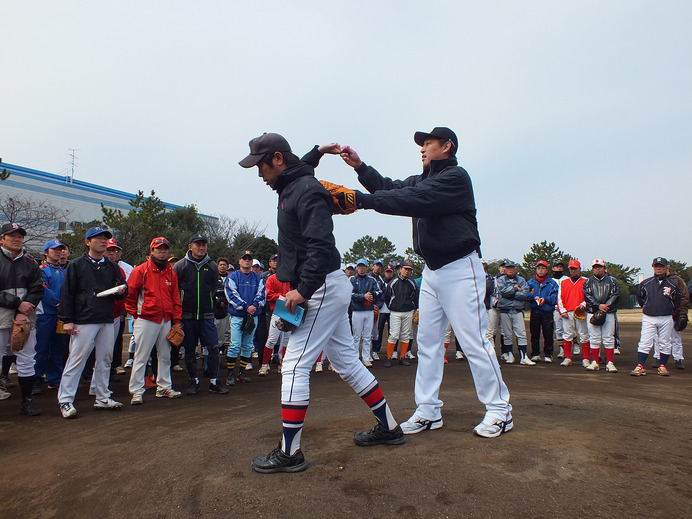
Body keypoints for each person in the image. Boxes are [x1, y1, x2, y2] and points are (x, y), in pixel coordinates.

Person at [240, 132, 404, 473]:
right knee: (348, 362)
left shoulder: (307, 191)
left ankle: (290, 453)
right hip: (324, 285)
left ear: (277, 159)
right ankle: (389, 428)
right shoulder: (294, 183)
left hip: (320, 287)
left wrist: (303, 290)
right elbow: (298, 170)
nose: (259, 173)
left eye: (261, 165)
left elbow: (320, 247)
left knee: (294, 365)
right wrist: (318, 152)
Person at [340, 126, 512, 438]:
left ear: (447, 146)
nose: (422, 148)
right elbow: (391, 188)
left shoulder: (455, 178)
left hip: (461, 267)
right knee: (429, 344)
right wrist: (360, 167)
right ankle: (429, 410)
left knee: (473, 341)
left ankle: (500, 411)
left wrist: (361, 201)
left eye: (428, 142)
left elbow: (412, 199)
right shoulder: (423, 180)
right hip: (433, 272)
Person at [57, 226, 127, 418]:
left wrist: (121, 290)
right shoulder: (77, 265)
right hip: (84, 318)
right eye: (97, 238)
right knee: (77, 359)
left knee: (105, 358)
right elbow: (67, 293)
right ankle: (65, 400)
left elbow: (123, 289)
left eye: (105, 238)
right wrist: (67, 320)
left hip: (106, 317)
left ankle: (102, 396)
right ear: (88, 242)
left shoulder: (112, 266)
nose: (103, 241)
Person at [125, 237, 183, 404]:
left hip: (165, 319)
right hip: (146, 319)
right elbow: (130, 295)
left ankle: (164, 387)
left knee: (165, 356)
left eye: (165, 248)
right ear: (151, 251)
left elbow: (175, 298)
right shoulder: (141, 270)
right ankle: (136, 390)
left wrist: (176, 320)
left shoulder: (171, 272)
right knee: (141, 356)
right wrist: (135, 314)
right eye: (158, 248)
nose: (162, 251)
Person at [173, 233, 228, 395]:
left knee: (213, 348)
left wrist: (210, 304)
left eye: (204, 244)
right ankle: (193, 381)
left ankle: (214, 381)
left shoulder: (211, 266)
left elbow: (213, 287)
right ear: (190, 247)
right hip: (187, 316)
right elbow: (175, 290)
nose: (201, 247)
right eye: (198, 244)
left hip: (207, 315)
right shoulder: (181, 266)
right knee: (189, 349)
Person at [0, 222, 44, 415]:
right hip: (1, 318)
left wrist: (24, 309)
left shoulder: (30, 262)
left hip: (25, 319)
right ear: (2, 239)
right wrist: (17, 303)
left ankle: (27, 400)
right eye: (12, 236)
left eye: (20, 236)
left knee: (26, 360)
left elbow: (37, 288)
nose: (17, 239)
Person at [631, 258, 682, 376]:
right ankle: (640, 365)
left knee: (664, 342)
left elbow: (677, 300)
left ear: (666, 268)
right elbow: (640, 298)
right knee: (645, 342)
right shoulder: (645, 283)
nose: (659, 268)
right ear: (653, 267)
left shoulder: (672, 285)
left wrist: (670, 310)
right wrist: (648, 307)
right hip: (649, 316)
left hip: (666, 317)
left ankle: (662, 366)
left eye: (661, 266)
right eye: (656, 266)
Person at [32, 239, 70, 395]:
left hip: (61, 316)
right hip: (46, 315)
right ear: (46, 252)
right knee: (40, 348)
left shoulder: (65, 272)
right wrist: (59, 302)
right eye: (54, 249)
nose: (58, 252)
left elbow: (70, 291)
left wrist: (65, 305)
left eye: (60, 249)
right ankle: (35, 378)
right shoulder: (41, 270)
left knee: (58, 348)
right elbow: (44, 289)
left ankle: (54, 378)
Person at [224, 250, 265, 384]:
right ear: (239, 261)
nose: (247, 261)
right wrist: (246, 306)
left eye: (249, 259)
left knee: (247, 345)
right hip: (238, 315)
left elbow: (262, 294)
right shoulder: (233, 277)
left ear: (252, 262)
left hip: (253, 316)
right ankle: (230, 374)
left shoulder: (258, 278)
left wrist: (253, 306)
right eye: (244, 258)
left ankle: (241, 373)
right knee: (235, 344)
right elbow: (231, 295)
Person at [582, 259, 620, 372]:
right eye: (595, 267)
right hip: (593, 312)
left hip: (609, 312)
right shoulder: (588, 281)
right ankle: (595, 362)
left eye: (600, 267)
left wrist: (606, 305)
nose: (597, 269)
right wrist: (598, 305)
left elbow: (616, 294)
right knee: (594, 338)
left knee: (608, 338)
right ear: (592, 268)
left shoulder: (613, 281)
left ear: (604, 268)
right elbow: (587, 296)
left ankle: (610, 362)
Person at [383, 260, 418, 367]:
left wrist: (415, 308)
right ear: (400, 269)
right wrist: (392, 306)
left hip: (408, 311)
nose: (407, 272)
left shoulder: (412, 283)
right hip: (395, 312)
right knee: (393, 335)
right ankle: (389, 357)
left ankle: (402, 357)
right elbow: (387, 297)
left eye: (409, 270)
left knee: (405, 335)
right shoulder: (393, 282)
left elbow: (415, 297)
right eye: (406, 269)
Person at [556, 260, 590, 367]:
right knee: (567, 334)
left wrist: (584, 305)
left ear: (580, 269)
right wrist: (563, 311)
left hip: (580, 312)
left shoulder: (586, 281)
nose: (573, 271)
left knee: (584, 334)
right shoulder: (564, 282)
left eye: (575, 268)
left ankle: (586, 358)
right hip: (568, 312)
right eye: (571, 269)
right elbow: (559, 298)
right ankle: (567, 357)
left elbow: (589, 296)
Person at [258, 272, 291, 376]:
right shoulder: (272, 278)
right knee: (272, 339)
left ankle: (283, 364)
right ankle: (264, 365)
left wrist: (284, 297)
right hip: (277, 310)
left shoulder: (292, 278)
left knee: (286, 340)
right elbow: (268, 296)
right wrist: (283, 297)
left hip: (290, 311)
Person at [350, 258, 381, 367]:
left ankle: (366, 358)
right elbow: (351, 295)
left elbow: (379, 291)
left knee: (367, 336)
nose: (361, 268)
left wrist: (370, 295)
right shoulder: (352, 279)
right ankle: (354, 358)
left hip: (369, 311)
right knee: (356, 336)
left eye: (363, 266)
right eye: (359, 266)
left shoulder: (372, 280)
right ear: (356, 267)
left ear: (367, 267)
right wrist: (363, 296)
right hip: (357, 311)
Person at [527, 260, 559, 363]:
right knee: (534, 334)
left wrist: (545, 299)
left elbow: (555, 297)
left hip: (547, 312)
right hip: (535, 311)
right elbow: (525, 294)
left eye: (543, 268)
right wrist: (534, 297)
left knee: (548, 334)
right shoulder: (530, 283)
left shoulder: (552, 283)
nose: (541, 270)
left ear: (547, 270)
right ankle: (535, 353)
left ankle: (548, 354)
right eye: (539, 268)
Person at [551, 260, 568, 358]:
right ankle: (562, 349)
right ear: (553, 268)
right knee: (559, 329)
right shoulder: (551, 280)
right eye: (557, 267)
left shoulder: (566, 279)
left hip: (567, 307)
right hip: (556, 308)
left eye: (561, 267)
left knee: (570, 329)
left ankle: (575, 344)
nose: (559, 268)